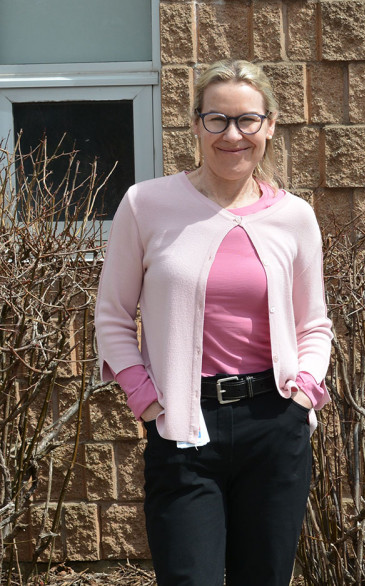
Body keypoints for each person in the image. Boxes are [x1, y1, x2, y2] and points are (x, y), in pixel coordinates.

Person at [95, 59, 333, 585]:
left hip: (274, 427)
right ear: (197, 124)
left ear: (269, 125)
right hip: (184, 427)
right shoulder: (147, 205)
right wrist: (146, 397)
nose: (233, 135)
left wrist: (302, 396)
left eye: (247, 120)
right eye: (217, 120)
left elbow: (313, 324)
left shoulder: (294, 216)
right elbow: (112, 316)